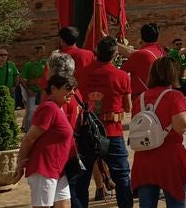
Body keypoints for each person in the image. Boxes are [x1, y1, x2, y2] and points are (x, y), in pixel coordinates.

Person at [73, 36, 132, 208]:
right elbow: (128, 107)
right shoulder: (121, 76)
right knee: (122, 178)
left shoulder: (80, 74)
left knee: (82, 179)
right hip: (112, 132)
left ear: (97, 52)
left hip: (86, 131)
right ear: (114, 54)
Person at [131, 56, 186, 208]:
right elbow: (181, 127)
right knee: (175, 203)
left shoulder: (140, 99)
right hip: (169, 156)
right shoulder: (174, 96)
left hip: (144, 156)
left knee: (146, 204)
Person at [14, 73, 77, 208]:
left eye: (73, 89)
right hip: (43, 169)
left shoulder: (59, 108)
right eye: (68, 88)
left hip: (58, 170)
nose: (72, 92)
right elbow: (29, 138)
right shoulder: (49, 108)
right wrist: (20, 164)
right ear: (54, 89)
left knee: (65, 205)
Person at [119, 23, 165, 115]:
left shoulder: (141, 55)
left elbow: (121, 72)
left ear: (142, 36)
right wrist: (114, 44)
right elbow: (132, 52)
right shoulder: (160, 50)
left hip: (143, 98)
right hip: (160, 95)